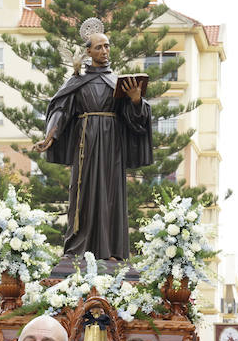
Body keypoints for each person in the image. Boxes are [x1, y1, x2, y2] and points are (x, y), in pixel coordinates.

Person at [37, 29, 153, 260]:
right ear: (88, 51)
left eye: (107, 46)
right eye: (99, 47)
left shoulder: (118, 82)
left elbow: (135, 119)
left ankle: (112, 250)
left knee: (111, 194)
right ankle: (76, 249)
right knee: (82, 193)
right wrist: (51, 134)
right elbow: (62, 109)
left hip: (112, 146)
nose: (104, 51)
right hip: (86, 144)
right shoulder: (77, 81)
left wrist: (135, 99)